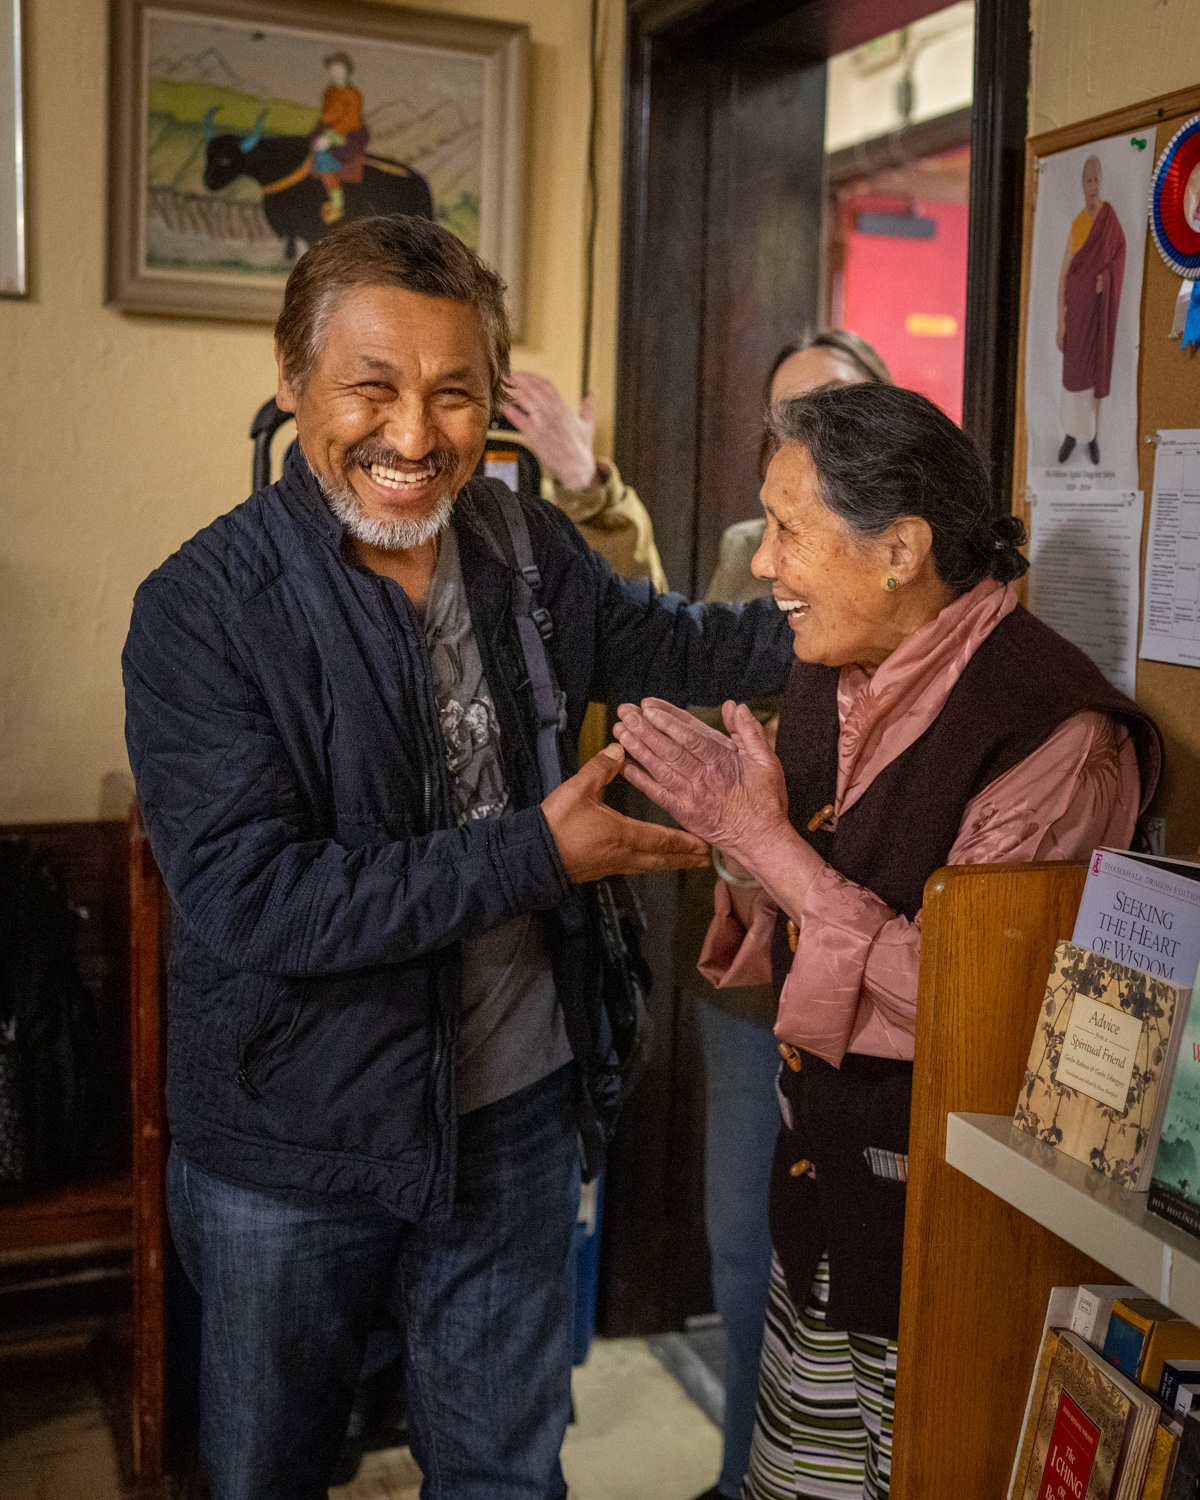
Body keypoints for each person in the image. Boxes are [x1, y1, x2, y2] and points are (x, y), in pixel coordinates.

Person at [122, 213, 796, 1500]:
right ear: (291, 378)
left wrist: (860, 613)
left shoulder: (518, 543)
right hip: (289, 1147)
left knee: (505, 1476)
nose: (415, 436)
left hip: (515, 1114)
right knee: (265, 1476)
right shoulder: (201, 612)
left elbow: (678, 644)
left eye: (454, 393)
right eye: (371, 388)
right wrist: (538, 853)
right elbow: (257, 901)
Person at [611, 383, 1162, 1500]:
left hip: (956, 1240)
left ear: (901, 550)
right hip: (823, 1204)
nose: (763, 563)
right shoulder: (829, 669)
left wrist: (763, 843)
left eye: (788, 529)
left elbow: (981, 1013)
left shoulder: (1057, 737)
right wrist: (734, 839)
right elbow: (802, 896)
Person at [501, 333, 892, 1500]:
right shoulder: (746, 555)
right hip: (752, 956)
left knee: (858, 1241)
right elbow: (668, 665)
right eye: (786, 420)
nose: (807, 441)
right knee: (741, 1232)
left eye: (835, 412)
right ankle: (740, 1476)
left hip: (880, 952)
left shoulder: (918, 575)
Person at [1057, 154, 1126, 466]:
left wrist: (1107, 277)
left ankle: (1091, 436)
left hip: (1098, 319)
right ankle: (1071, 435)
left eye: (1096, 178)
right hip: (1076, 317)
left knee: (1093, 379)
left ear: (1101, 182)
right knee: (1072, 380)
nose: (1093, 185)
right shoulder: (1078, 225)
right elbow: (1064, 274)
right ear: (1082, 185)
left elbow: (1120, 253)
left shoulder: (1109, 220)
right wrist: (1061, 323)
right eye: (1088, 180)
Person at [310, 51, 369, 225]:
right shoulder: (328, 91)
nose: (336, 72)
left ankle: (337, 204)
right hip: (328, 130)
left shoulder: (353, 94)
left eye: (340, 69)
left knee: (323, 156)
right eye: (333, 69)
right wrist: (321, 131)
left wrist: (330, 138)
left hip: (349, 133)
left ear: (347, 71)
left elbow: (351, 120)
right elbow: (325, 115)